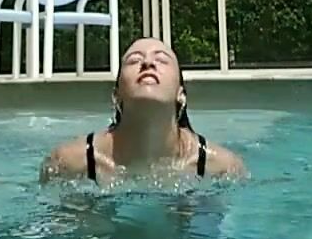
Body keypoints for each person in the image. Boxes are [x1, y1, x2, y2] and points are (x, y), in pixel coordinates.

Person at [40, 37, 246, 183]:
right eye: (134, 60)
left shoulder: (222, 167)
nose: (148, 63)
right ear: (116, 95)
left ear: (181, 94)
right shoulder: (69, 162)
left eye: (161, 60)